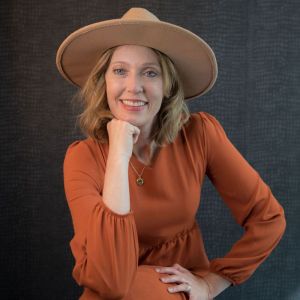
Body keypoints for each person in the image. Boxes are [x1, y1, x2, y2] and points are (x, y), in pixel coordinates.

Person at [56, 7, 286, 300]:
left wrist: (213, 282)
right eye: (119, 70)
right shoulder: (82, 158)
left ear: (167, 85)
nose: (133, 86)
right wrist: (117, 155)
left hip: (177, 288)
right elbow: (111, 281)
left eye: (150, 72)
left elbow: (269, 218)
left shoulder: (198, 134)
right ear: (104, 82)